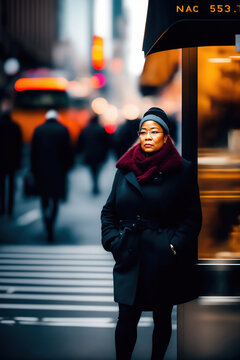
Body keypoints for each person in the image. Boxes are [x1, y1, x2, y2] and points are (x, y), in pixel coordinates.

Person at [101, 107, 202, 360]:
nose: (147, 136)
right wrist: (113, 241)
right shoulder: (125, 168)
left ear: (166, 137)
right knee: (126, 318)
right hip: (130, 254)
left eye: (154, 131)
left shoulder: (183, 170)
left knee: (162, 316)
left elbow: (192, 217)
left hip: (162, 257)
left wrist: (173, 245)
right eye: (143, 131)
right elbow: (108, 211)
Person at [30, 109, 73, 242]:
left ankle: (46, 220)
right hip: (58, 170)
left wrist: (33, 169)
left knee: (44, 197)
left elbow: (33, 152)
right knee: (55, 198)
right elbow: (68, 151)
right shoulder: (63, 130)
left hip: (41, 170)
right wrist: (67, 167)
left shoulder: (38, 130)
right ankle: (52, 223)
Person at [0, 96, 22, 217]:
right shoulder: (16, 126)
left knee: (2, 185)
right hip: (12, 160)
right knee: (11, 184)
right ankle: (10, 208)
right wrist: (19, 161)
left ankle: (2, 207)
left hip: (1, 160)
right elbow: (19, 146)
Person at [77, 113, 110, 194]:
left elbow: (80, 143)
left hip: (89, 154)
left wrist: (80, 153)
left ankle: (94, 184)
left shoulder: (85, 129)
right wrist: (106, 154)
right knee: (97, 169)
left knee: (92, 170)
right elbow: (107, 143)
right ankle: (96, 183)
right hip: (99, 154)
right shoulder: (102, 129)